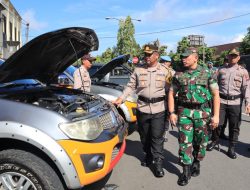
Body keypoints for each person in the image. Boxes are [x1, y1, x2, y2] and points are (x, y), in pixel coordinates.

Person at [112, 44, 172, 178]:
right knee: (144, 137)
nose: (147, 57)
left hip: (159, 109)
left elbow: (172, 89)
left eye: (149, 54)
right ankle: (148, 155)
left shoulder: (165, 70)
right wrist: (121, 98)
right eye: (145, 54)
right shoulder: (138, 70)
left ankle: (158, 163)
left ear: (157, 55)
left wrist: (173, 109)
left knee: (157, 137)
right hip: (142, 108)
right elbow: (130, 86)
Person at [168, 47, 220, 186]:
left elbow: (215, 95)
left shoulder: (207, 73)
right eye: (182, 57)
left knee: (200, 142)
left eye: (187, 57)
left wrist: (216, 116)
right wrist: (172, 112)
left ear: (195, 58)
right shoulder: (179, 74)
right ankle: (185, 172)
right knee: (184, 142)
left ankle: (196, 162)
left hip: (202, 113)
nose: (183, 59)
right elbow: (171, 93)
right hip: (184, 112)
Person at [207, 48, 250, 159]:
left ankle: (231, 147)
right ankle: (215, 141)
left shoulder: (242, 71)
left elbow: (246, 88)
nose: (233, 57)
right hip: (221, 101)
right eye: (231, 55)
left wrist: (248, 102)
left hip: (235, 102)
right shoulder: (221, 70)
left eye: (235, 56)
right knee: (217, 123)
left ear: (238, 57)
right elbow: (213, 84)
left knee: (234, 126)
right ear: (228, 56)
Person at [159, 55, 175, 142]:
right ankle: (164, 134)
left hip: (165, 96)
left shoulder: (170, 72)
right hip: (167, 96)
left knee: (164, 116)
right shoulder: (172, 72)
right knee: (165, 116)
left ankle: (163, 133)